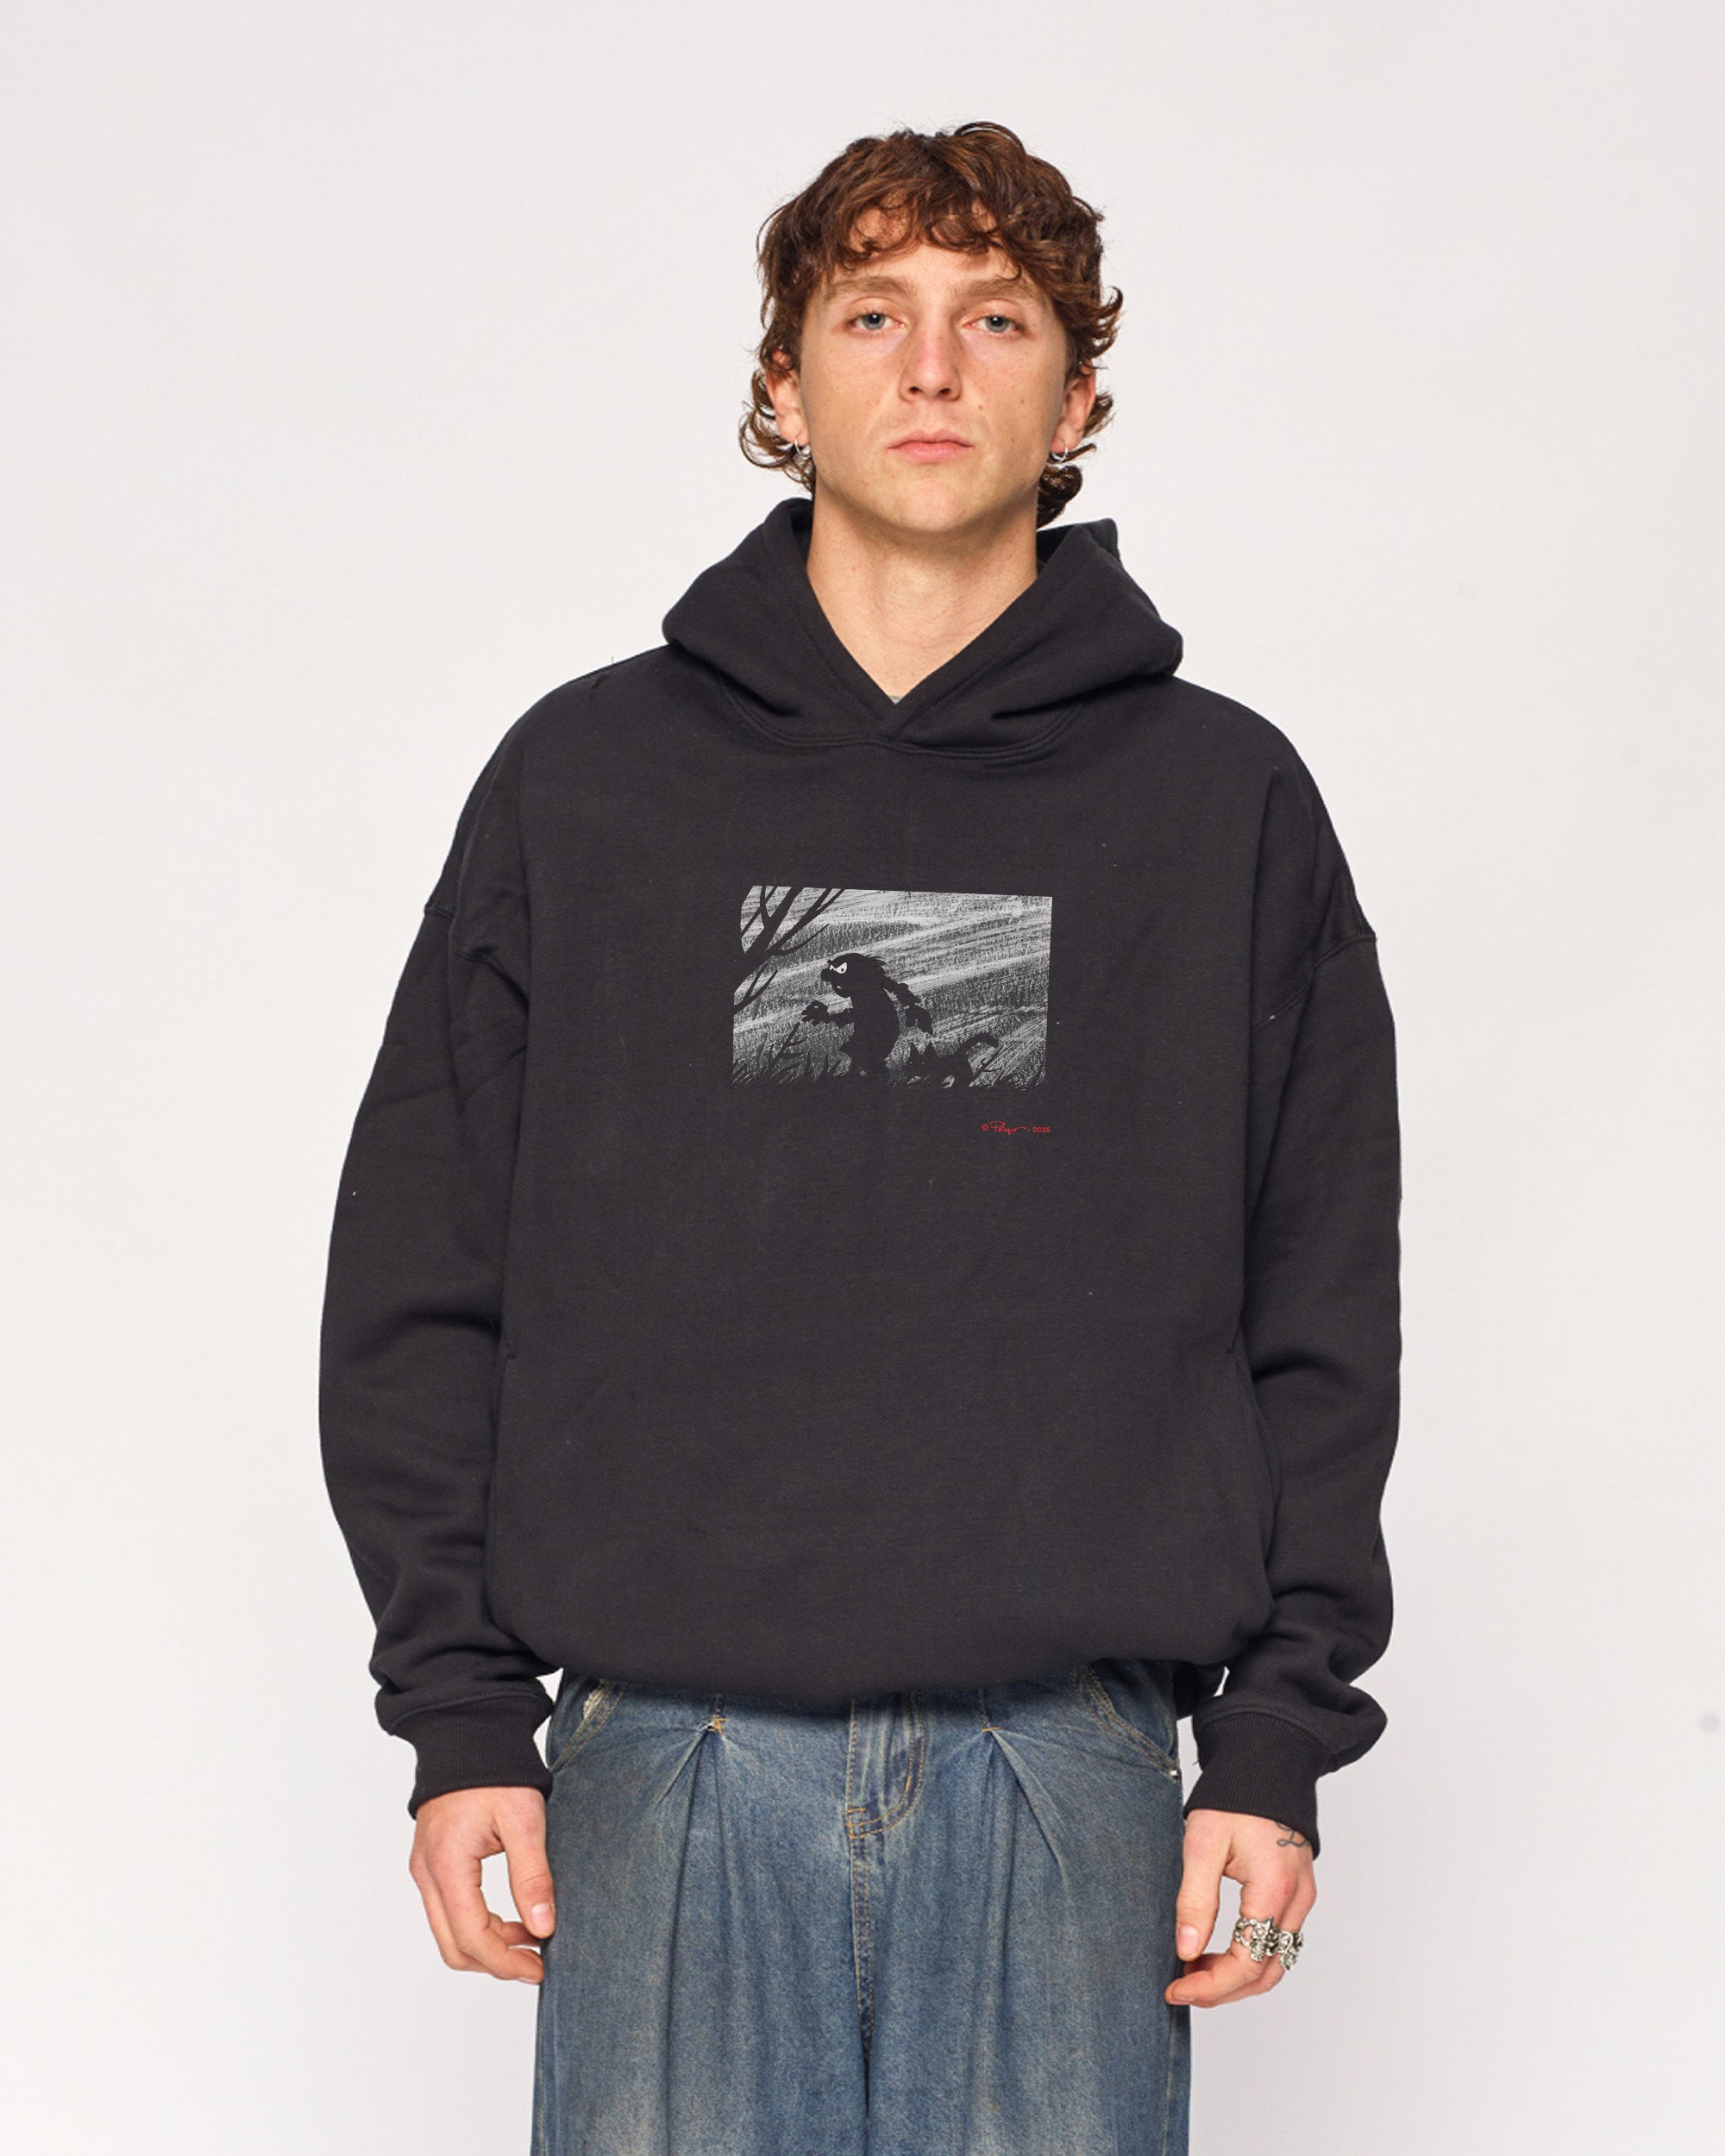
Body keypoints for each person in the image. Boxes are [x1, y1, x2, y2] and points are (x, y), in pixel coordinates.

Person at [319, 119, 1402, 2156]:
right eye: (870, 312)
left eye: (994, 318)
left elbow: (1318, 1301)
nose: (928, 365)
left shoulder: (1223, 804)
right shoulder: (586, 781)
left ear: (1073, 395)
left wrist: (1272, 1741)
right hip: (666, 1757)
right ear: (781, 380)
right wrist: (458, 1709)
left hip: (1067, 1767)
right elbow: (421, 1268)